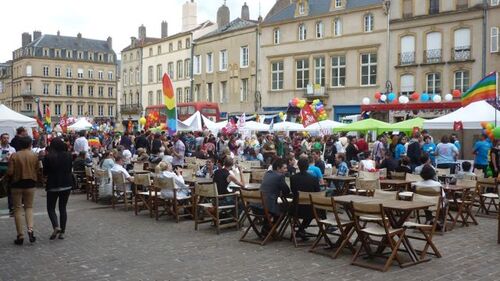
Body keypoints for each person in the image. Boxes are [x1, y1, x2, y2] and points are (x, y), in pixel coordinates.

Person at [7, 136, 41, 245]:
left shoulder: (14, 156)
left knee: (17, 209)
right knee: (29, 207)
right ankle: (30, 229)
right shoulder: (34, 155)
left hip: (16, 184)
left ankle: (20, 235)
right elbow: (37, 169)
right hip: (30, 183)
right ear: (30, 144)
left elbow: (10, 172)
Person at [43, 138, 73, 240]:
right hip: (66, 184)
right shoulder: (68, 155)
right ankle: (63, 232)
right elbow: (69, 168)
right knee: (62, 208)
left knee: (51, 208)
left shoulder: (48, 157)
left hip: (53, 185)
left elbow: (45, 172)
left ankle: (56, 226)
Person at [290, 158, 321, 240]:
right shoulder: (314, 179)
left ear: (298, 166)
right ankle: (301, 229)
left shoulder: (293, 178)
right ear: (308, 167)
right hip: (310, 209)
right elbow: (317, 193)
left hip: (296, 208)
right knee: (318, 209)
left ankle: (301, 229)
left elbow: (293, 191)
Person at [0, 133, 16, 215]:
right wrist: (2, 158)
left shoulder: (12, 149)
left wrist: (10, 158)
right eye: (4, 138)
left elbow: (15, 159)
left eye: (7, 138)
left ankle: (11, 207)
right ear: (1, 139)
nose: (6, 139)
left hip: (9, 168)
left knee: (10, 189)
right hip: (0, 167)